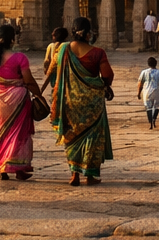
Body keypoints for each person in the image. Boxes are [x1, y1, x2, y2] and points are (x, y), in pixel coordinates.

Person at [49, 16, 114, 186]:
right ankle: (90, 175)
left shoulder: (62, 50)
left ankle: (74, 175)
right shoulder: (98, 53)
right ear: (88, 33)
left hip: (69, 101)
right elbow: (107, 75)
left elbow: (53, 70)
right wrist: (105, 86)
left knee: (72, 137)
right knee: (91, 137)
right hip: (92, 104)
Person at [0, 23, 42, 181]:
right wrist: (38, 94)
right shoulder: (20, 58)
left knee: (0, 135)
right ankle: (19, 168)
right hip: (17, 103)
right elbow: (28, 80)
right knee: (19, 135)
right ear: (13, 40)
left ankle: (3, 168)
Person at [137, 56, 159, 129]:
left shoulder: (144, 72)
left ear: (148, 64)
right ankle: (154, 119)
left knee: (149, 108)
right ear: (156, 64)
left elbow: (140, 83)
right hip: (157, 91)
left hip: (147, 92)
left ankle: (150, 122)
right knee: (156, 106)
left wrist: (138, 93)